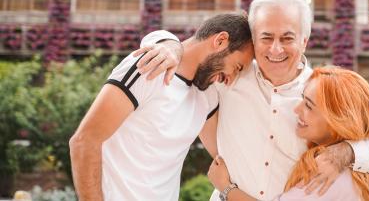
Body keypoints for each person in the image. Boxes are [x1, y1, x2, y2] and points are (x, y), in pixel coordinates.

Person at [139, 0, 369, 200]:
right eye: (266, 38)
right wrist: (169, 45)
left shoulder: (320, 92)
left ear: (304, 41)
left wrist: (344, 152)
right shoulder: (229, 76)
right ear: (253, 40)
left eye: (287, 38)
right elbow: (193, 48)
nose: (276, 50)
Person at [69, 13, 254, 201]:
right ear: (221, 41)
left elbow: (225, 155)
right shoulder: (150, 67)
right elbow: (84, 141)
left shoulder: (207, 96)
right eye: (237, 67)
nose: (231, 78)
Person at [207, 66, 369, 201]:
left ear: (338, 120)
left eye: (309, 106)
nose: (296, 109)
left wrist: (226, 188)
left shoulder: (330, 171)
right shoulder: (365, 168)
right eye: (303, 99)